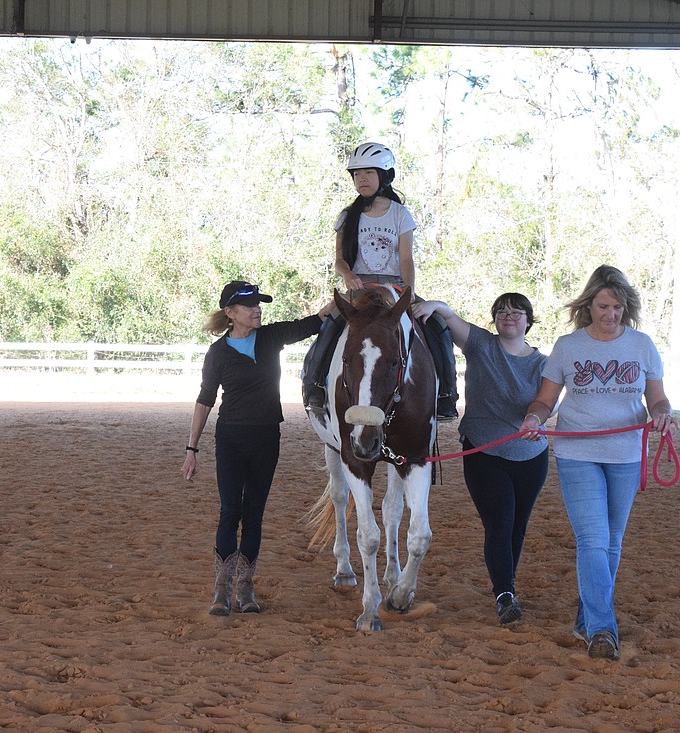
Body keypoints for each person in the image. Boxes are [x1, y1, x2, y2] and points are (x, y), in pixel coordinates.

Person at [518, 265, 677, 660]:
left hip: (625, 452)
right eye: (604, 306)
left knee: (612, 541)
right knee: (592, 538)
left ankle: (588, 612)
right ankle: (603, 630)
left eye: (618, 308)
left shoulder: (642, 345)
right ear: (589, 306)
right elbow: (545, 399)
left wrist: (661, 413)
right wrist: (535, 418)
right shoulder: (568, 347)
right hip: (577, 453)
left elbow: (658, 398)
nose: (611, 314)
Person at [182, 280, 333, 616]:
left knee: (254, 515)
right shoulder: (218, 353)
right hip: (231, 439)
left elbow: (315, 321)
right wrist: (191, 448)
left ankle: (245, 590)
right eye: (249, 306)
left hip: (267, 437)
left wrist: (347, 295)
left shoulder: (270, 338)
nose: (257, 310)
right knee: (229, 512)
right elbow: (205, 401)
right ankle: (221, 592)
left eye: (258, 304)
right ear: (231, 313)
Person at [416, 294, 549, 625]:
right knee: (500, 522)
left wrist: (536, 420)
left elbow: (550, 401)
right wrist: (431, 304)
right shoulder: (480, 346)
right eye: (501, 313)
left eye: (516, 313)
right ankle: (504, 593)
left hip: (532, 454)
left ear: (528, 320)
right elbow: (449, 315)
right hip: (484, 451)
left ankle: (508, 586)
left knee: (518, 526)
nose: (508, 317)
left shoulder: (543, 364)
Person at [302, 141, 459, 420]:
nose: (361, 179)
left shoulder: (400, 215)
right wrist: (348, 275)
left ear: (384, 175)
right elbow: (339, 259)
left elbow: (406, 259)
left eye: (368, 173)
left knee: (436, 323)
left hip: (394, 286)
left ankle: (447, 393)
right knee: (331, 324)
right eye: (356, 174)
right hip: (359, 288)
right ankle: (314, 385)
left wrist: (409, 294)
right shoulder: (348, 216)